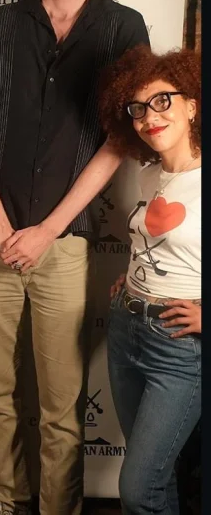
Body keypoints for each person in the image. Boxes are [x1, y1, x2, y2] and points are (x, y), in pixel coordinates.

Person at [0, 0, 150, 515]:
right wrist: (3, 226)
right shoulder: (0, 25)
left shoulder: (123, 27)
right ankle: (8, 503)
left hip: (63, 247)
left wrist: (46, 230)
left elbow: (119, 141)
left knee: (62, 405)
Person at [99, 46, 201, 515]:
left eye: (162, 101)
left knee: (139, 490)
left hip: (179, 347)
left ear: (192, 105)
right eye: (138, 109)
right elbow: (155, 241)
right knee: (160, 478)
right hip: (126, 330)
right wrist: (135, 277)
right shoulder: (148, 176)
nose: (149, 117)